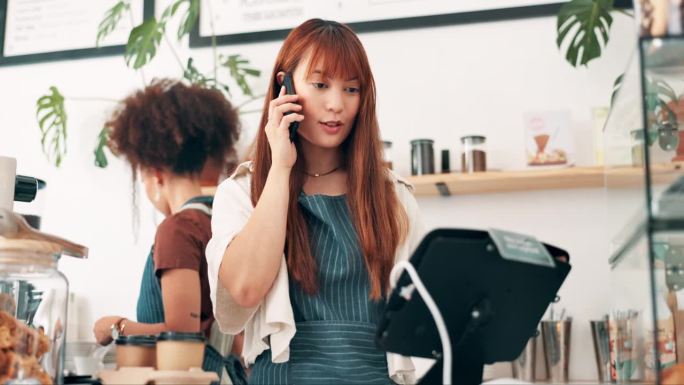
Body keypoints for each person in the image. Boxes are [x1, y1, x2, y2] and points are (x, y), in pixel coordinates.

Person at [205, 19, 426, 384]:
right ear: (285, 87)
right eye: (320, 84)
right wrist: (279, 168)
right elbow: (244, 289)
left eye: (351, 89)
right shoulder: (244, 191)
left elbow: (428, 310)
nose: (336, 104)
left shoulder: (393, 196)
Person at [92, 79, 245, 383]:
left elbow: (183, 333)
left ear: (156, 173)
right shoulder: (226, 220)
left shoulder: (177, 229)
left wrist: (116, 326)